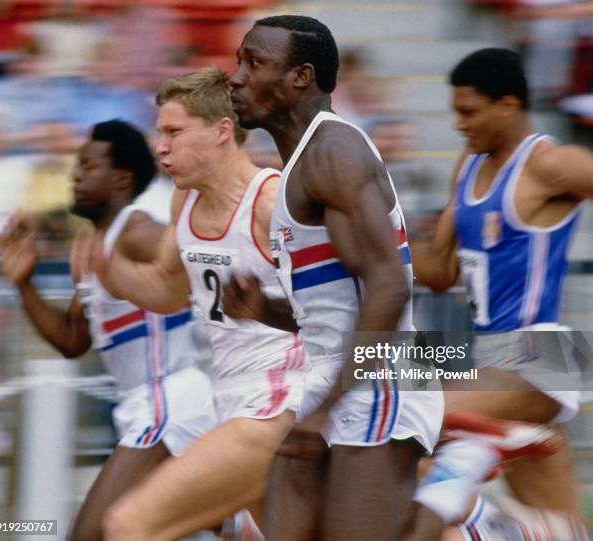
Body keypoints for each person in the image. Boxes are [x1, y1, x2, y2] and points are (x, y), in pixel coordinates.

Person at [227, 15, 444, 541]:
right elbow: (336, 309)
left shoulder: (334, 153)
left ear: (301, 76)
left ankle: (472, 509)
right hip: (332, 377)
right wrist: (266, 310)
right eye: (239, 61)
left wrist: (329, 406)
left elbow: (390, 286)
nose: (235, 76)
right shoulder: (303, 164)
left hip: (377, 382)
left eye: (253, 63)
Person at [82, 68, 308, 541]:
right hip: (227, 396)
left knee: (128, 525)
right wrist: (110, 269)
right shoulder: (185, 199)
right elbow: (168, 290)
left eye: (173, 132)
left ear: (222, 131)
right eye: (159, 133)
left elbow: (349, 304)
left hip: (279, 403)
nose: (160, 147)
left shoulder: (272, 202)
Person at [0, 120, 216, 541]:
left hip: (167, 401)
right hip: (144, 405)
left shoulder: (134, 231)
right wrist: (24, 283)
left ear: (120, 178)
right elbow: (72, 340)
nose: (74, 174)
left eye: (87, 166)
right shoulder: (95, 248)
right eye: (76, 166)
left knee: (90, 535)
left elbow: (187, 250)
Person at [410, 48, 591, 540]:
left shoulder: (549, 164)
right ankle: (510, 517)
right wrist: (382, 235)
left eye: (468, 112)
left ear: (507, 106)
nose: (458, 125)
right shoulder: (467, 169)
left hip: (542, 350)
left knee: (408, 414)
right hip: (489, 359)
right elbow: (439, 273)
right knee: (567, 531)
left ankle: (491, 449)